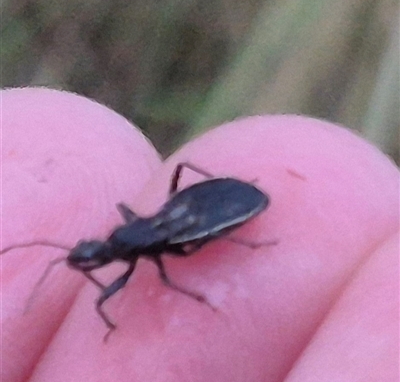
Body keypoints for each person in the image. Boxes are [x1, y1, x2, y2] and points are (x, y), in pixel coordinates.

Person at [2, 88, 399, 382]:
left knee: (179, 257)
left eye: (91, 257)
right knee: (179, 228)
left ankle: (246, 239)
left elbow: (165, 279)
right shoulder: (127, 234)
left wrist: (202, 291)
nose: (90, 261)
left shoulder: (136, 251)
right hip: (180, 215)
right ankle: (240, 234)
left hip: (197, 219)